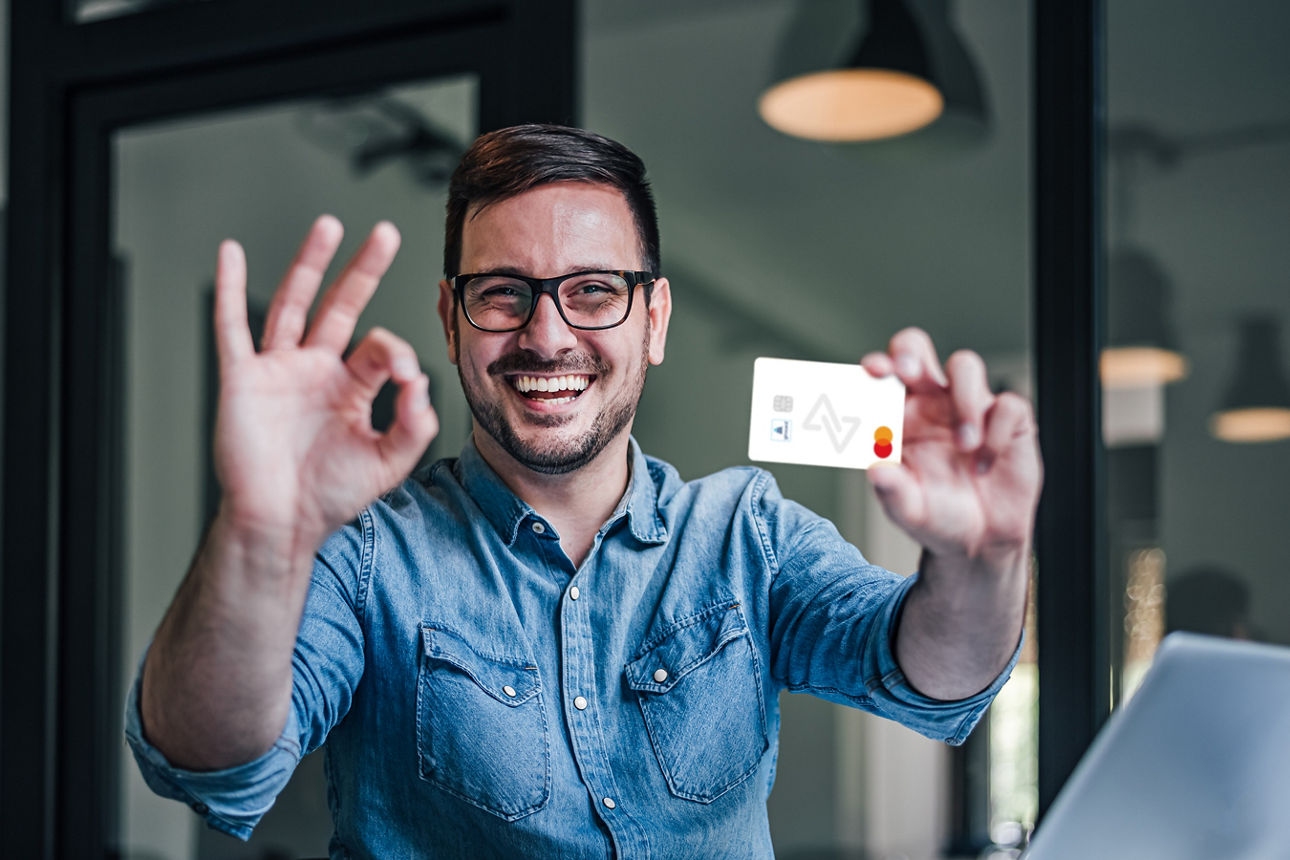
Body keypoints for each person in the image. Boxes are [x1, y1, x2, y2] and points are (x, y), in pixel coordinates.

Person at [127, 124, 1041, 858]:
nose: (547, 334)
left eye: (595, 290)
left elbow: (933, 681)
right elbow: (210, 766)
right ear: (452, 320)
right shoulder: (369, 555)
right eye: (502, 293)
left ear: (655, 320)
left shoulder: (747, 535)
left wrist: (982, 559)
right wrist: (255, 531)